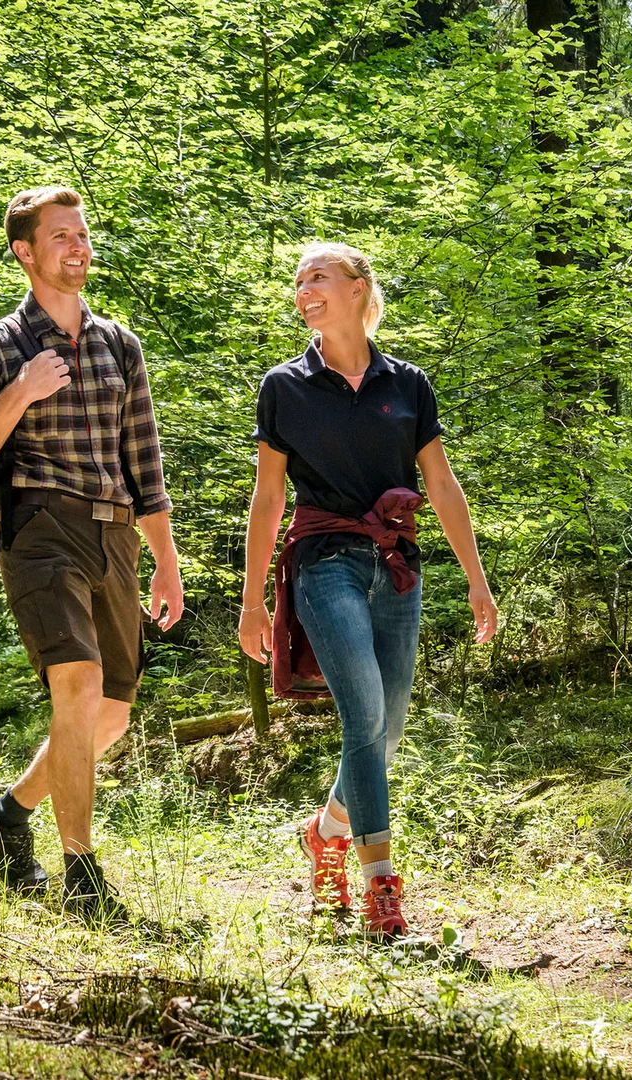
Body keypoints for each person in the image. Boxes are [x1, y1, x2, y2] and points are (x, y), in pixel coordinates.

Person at [0, 186, 184, 919]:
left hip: (115, 535)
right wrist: (20, 393)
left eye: (82, 233)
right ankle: (82, 875)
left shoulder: (119, 345)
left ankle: (7, 814)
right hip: (39, 531)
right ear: (25, 252)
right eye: (61, 235)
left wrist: (165, 559)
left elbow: (145, 461)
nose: (78, 245)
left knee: (109, 716)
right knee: (75, 688)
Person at [237, 242, 497, 939]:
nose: (303, 290)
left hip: (398, 567)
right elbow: (267, 499)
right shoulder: (283, 386)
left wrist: (477, 580)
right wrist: (252, 600)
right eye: (298, 282)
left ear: (357, 288)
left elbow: (440, 484)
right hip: (323, 561)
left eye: (316, 277)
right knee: (364, 719)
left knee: (387, 734)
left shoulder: (407, 385)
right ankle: (382, 885)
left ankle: (324, 832)